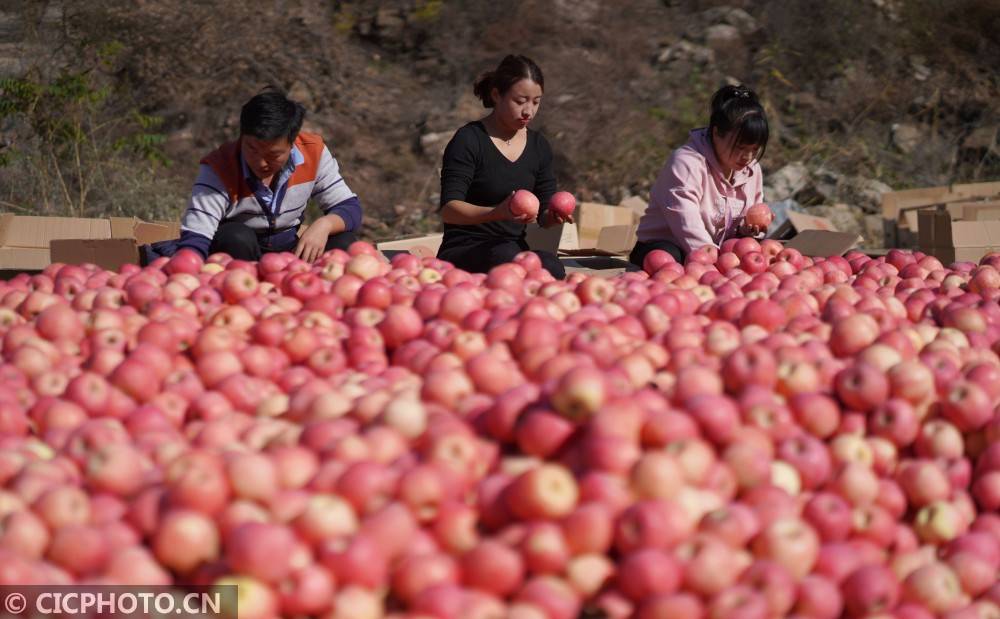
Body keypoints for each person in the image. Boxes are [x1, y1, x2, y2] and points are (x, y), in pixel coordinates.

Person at [172, 86, 361, 263]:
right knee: (236, 237)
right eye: (252, 150)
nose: (261, 162)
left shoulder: (313, 152)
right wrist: (188, 269)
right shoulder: (219, 166)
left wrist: (324, 225)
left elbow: (350, 207)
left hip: (290, 255)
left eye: (273, 155)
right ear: (241, 137)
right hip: (236, 258)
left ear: (292, 143)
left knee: (344, 241)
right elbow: (196, 236)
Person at [436, 54, 573, 280]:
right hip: (465, 248)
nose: (528, 111)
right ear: (496, 95)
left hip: (513, 249)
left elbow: (543, 214)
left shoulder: (539, 146)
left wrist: (554, 216)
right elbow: (449, 210)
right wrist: (496, 213)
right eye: (520, 101)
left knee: (552, 266)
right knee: (508, 257)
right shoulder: (469, 139)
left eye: (536, 102)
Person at [630, 84, 769, 268]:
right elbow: (688, 226)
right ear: (716, 133)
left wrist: (748, 231)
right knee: (668, 260)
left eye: (754, 149)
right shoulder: (686, 163)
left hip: (718, 254)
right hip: (667, 247)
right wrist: (718, 263)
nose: (748, 157)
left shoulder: (752, 170)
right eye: (740, 147)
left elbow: (747, 221)